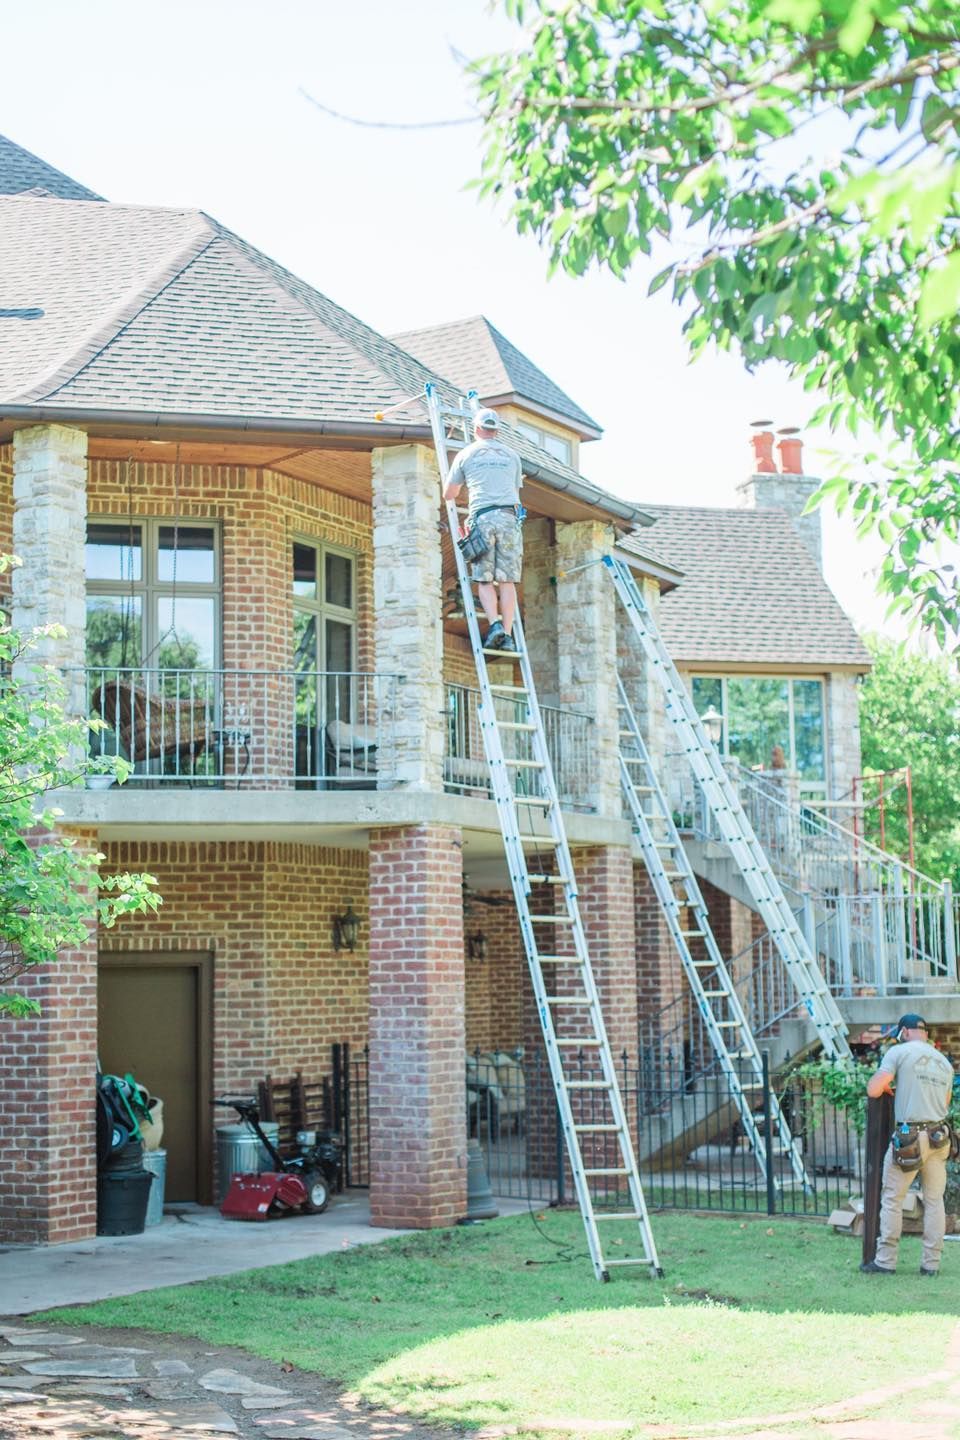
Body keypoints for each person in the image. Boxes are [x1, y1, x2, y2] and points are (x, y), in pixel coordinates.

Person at [860, 1013, 955, 1277]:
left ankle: (885, 1261)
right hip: (939, 1136)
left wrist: (888, 1086)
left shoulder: (899, 1052)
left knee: (893, 1198)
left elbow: (874, 1089)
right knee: (935, 1201)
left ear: (904, 1031)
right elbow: (944, 1103)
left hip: (909, 1139)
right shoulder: (944, 1062)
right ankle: (931, 1265)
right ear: (924, 1033)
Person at [443, 407, 523, 654]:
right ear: (496, 430)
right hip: (510, 518)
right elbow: (516, 493)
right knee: (507, 581)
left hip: (484, 518)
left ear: (476, 428)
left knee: (484, 578)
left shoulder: (466, 454)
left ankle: (495, 624)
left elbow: (449, 494)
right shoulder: (512, 456)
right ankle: (508, 635)